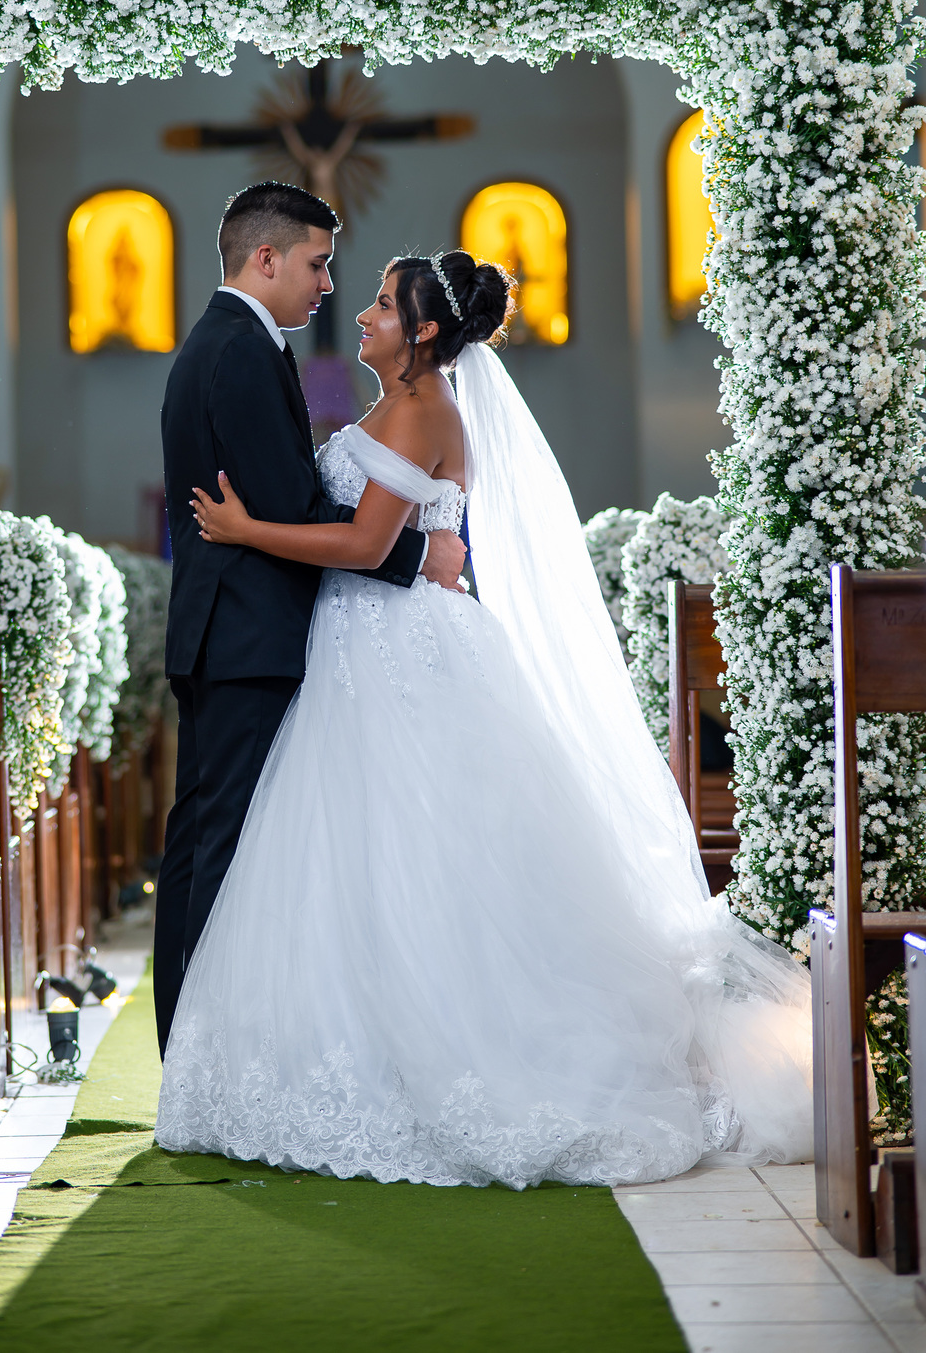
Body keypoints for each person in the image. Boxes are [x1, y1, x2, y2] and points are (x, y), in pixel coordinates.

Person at [155, 250, 814, 1188]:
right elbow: (386, 532)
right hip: (356, 649)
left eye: (385, 303)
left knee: (429, 857)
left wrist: (246, 530)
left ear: (425, 331)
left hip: (404, 649)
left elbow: (363, 540)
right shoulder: (388, 406)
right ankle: (361, 1043)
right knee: (355, 862)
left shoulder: (427, 410)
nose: (367, 313)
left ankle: (464, 1052)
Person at [154, 185, 467, 1056]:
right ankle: (199, 1057)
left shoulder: (235, 343)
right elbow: (297, 505)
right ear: (268, 258)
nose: (330, 285)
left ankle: (194, 1050)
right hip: (246, 636)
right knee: (222, 852)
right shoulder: (242, 352)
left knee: (210, 847)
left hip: (241, 632)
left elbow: (293, 509)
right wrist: (420, 559)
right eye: (320, 263)